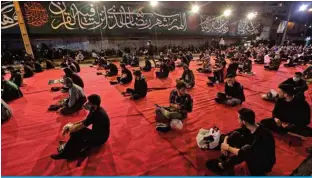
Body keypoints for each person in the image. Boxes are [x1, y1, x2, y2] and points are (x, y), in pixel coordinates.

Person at [207, 108, 276, 176]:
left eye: (238, 119)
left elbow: (243, 152)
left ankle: (222, 166)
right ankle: (224, 157)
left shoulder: (261, 136)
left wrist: (227, 147)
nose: (237, 120)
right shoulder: (253, 127)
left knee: (246, 149)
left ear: (244, 122)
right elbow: (232, 133)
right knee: (236, 134)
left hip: (262, 165)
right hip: (255, 152)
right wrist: (224, 143)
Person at [51, 94, 110, 160]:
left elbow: (79, 127)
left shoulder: (97, 114)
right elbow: (85, 121)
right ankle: (72, 147)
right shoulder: (95, 109)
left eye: (88, 102)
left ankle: (65, 154)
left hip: (100, 138)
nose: (86, 103)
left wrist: (69, 127)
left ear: (93, 104)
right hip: (98, 134)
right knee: (76, 132)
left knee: (77, 132)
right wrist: (72, 124)